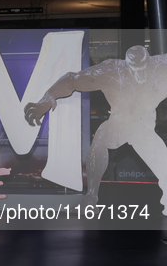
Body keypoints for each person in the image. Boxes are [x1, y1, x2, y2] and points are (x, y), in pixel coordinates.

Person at [24, 45, 167, 213]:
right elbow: (72, 79)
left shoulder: (162, 66)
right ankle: (91, 196)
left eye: (142, 69)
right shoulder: (112, 71)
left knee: (162, 163)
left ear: (149, 63)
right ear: (127, 66)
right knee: (100, 138)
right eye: (134, 70)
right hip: (119, 123)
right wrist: (47, 99)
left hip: (144, 128)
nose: (139, 76)